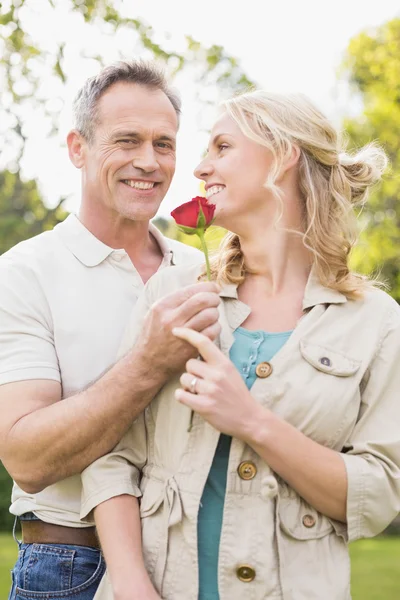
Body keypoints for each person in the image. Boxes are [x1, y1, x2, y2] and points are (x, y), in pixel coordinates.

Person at [81, 89, 400, 600]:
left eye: (222, 147)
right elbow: (112, 455)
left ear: (284, 155)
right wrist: (132, 586)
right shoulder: (173, 295)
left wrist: (251, 420)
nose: (201, 168)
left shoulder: (376, 322)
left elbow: (379, 495)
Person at [0, 60, 222, 600]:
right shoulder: (24, 273)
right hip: (69, 566)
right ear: (78, 148)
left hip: (199, 556)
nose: (148, 162)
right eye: (126, 141)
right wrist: (148, 362)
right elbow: (27, 459)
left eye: (164, 144)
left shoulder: (204, 272)